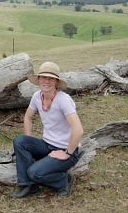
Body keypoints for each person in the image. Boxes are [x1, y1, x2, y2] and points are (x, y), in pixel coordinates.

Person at [11, 62, 83, 198]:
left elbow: (78, 130)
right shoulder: (37, 96)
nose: (46, 81)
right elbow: (27, 117)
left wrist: (67, 153)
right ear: (38, 80)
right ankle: (27, 185)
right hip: (47, 145)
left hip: (67, 150)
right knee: (20, 141)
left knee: (34, 172)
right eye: (43, 77)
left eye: (51, 78)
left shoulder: (63, 100)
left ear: (56, 82)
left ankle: (64, 181)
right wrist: (29, 139)